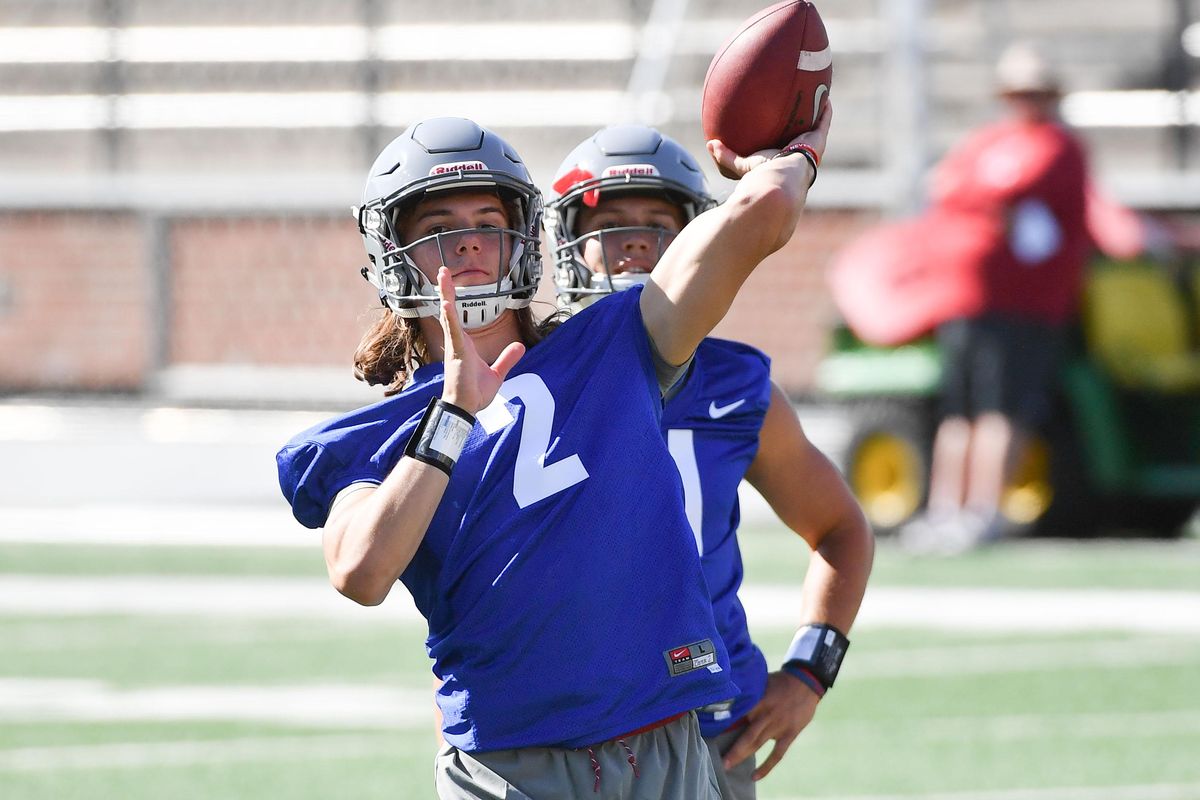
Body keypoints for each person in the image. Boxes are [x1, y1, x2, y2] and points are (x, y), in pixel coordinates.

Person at [276, 111, 830, 799]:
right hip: (510, 768)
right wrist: (451, 417)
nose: (469, 244)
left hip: (664, 748)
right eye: (439, 228)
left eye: (487, 220)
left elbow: (765, 213)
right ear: (394, 253)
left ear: (522, 241)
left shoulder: (613, 344)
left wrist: (793, 157)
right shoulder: (374, 434)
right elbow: (360, 572)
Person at [546, 125, 873, 800]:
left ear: (696, 236)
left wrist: (811, 669)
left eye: (657, 223)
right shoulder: (526, 382)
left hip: (712, 725)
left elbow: (841, 529)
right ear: (567, 241)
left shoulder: (737, 388)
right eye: (611, 223)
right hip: (567, 728)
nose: (636, 241)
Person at [898, 42, 1091, 551]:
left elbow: (1000, 188)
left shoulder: (1055, 147)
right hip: (972, 297)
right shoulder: (992, 143)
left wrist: (979, 199)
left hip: (1022, 301)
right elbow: (947, 184)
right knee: (963, 410)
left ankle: (980, 512)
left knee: (996, 411)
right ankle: (948, 511)